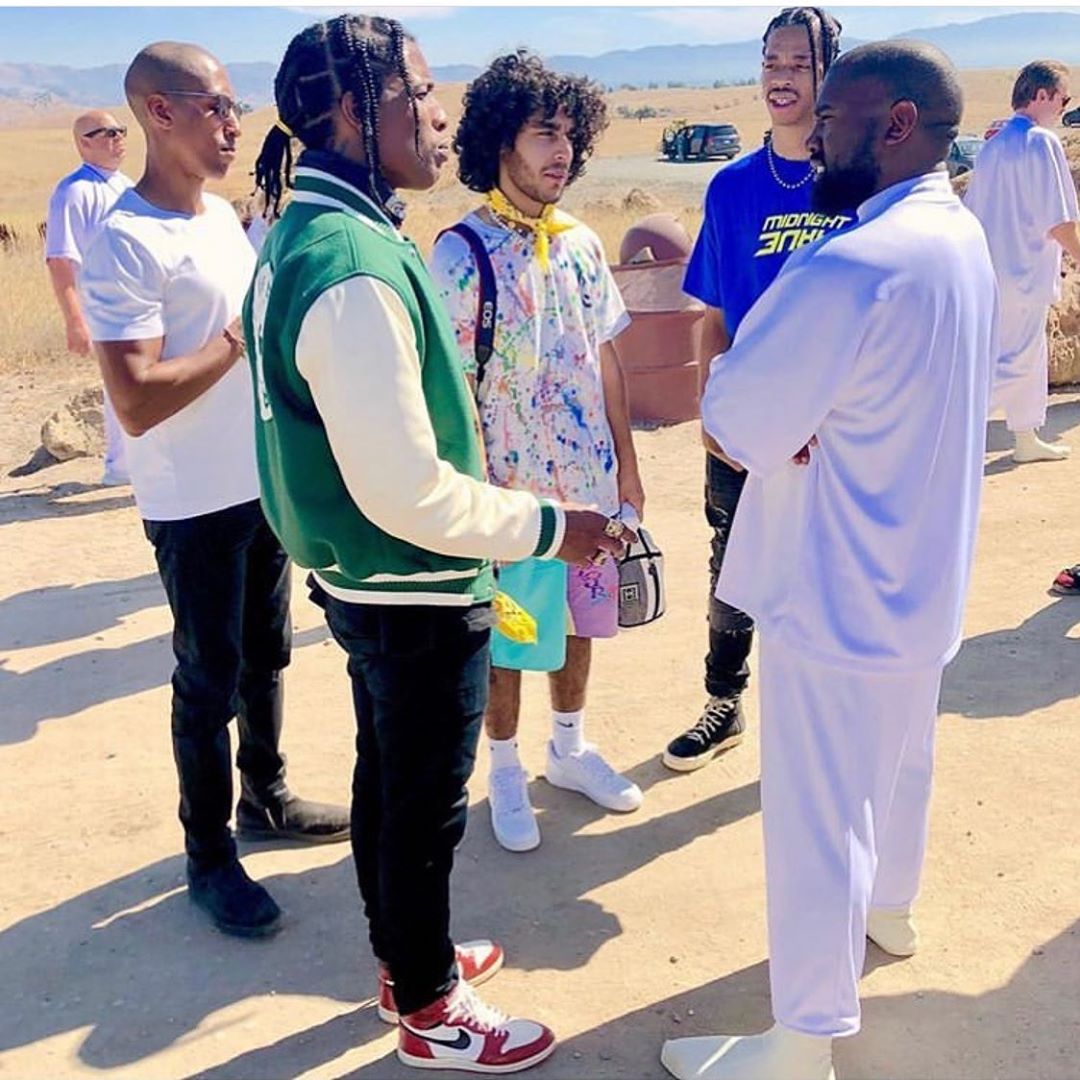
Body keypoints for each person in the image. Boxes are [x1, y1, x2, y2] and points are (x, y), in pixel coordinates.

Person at [244, 15, 633, 1073]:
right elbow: (409, 492)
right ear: (350, 111)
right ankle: (430, 1010)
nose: (440, 112)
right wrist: (553, 527)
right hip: (412, 587)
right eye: (417, 92)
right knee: (422, 809)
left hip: (367, 582)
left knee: (389, 783)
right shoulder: (353, 266)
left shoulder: (315, 231)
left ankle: (405, 960)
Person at [661, 40, 997, 1080]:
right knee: (900, 766)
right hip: (922, 577)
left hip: (834, 586)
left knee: (817, 815)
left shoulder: (850, 264)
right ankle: (890, 912)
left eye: (833, 120)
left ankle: (803, 1041)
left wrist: (774, 411)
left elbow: (735, 415)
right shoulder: (959, 235)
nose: (812, 141)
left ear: (896, 124)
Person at [79, 42, 350, 941]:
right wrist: (239, 336)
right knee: (208, 678)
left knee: (268, 654)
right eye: (216, 107)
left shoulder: (220, 224)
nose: (235, 126)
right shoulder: (125, 240)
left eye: (235, 107)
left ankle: (266, 794)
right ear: (159, 113)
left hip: (258, 482)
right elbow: (136, 398)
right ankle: (208, 856)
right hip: (190, 501)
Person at [429, 52, 646, 853]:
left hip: (588, 488)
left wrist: (627, 469)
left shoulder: (582, 244)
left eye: (570, 135)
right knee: (510, 637)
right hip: (509, 500)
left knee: (580, 623)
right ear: (500, 143)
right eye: (543, 134)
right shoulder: (459, 254)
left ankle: (569, 749)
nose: (563, 151)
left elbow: (607, 358)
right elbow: (447, 389)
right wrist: (470, 499)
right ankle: (505, 769)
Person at [662, 7, 850, 773]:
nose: (782, 75)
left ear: (831, 74)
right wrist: (711, 411)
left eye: (800, 63)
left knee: (828, 572)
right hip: (748, 421)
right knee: (733, 561)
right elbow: (711, 315)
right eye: (772, 60)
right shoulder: (733, 187)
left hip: (837, 427)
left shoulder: (860, 184)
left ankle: (823, 723)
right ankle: (723, 702)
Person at [965, 59, 1080, 463]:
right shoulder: (1041, 142)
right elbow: (1059, 219)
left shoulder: (993, 146)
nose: (1064, 108)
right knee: (1014, 362)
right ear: (1042, 95)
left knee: (1029, 357)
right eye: (1064, 99)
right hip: (1024, 272)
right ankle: (952, 424)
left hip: (993, 269)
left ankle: (1026, 437)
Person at [45, 110, 134, 486]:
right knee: (121, 383)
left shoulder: (127, 186)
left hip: (139, 301)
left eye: (120, 130)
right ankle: (120, 468)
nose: (118, 138)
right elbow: (60, 259)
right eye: (107, 133)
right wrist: (74, 320)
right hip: (105, 305)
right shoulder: (74, 191)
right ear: (84, 142)